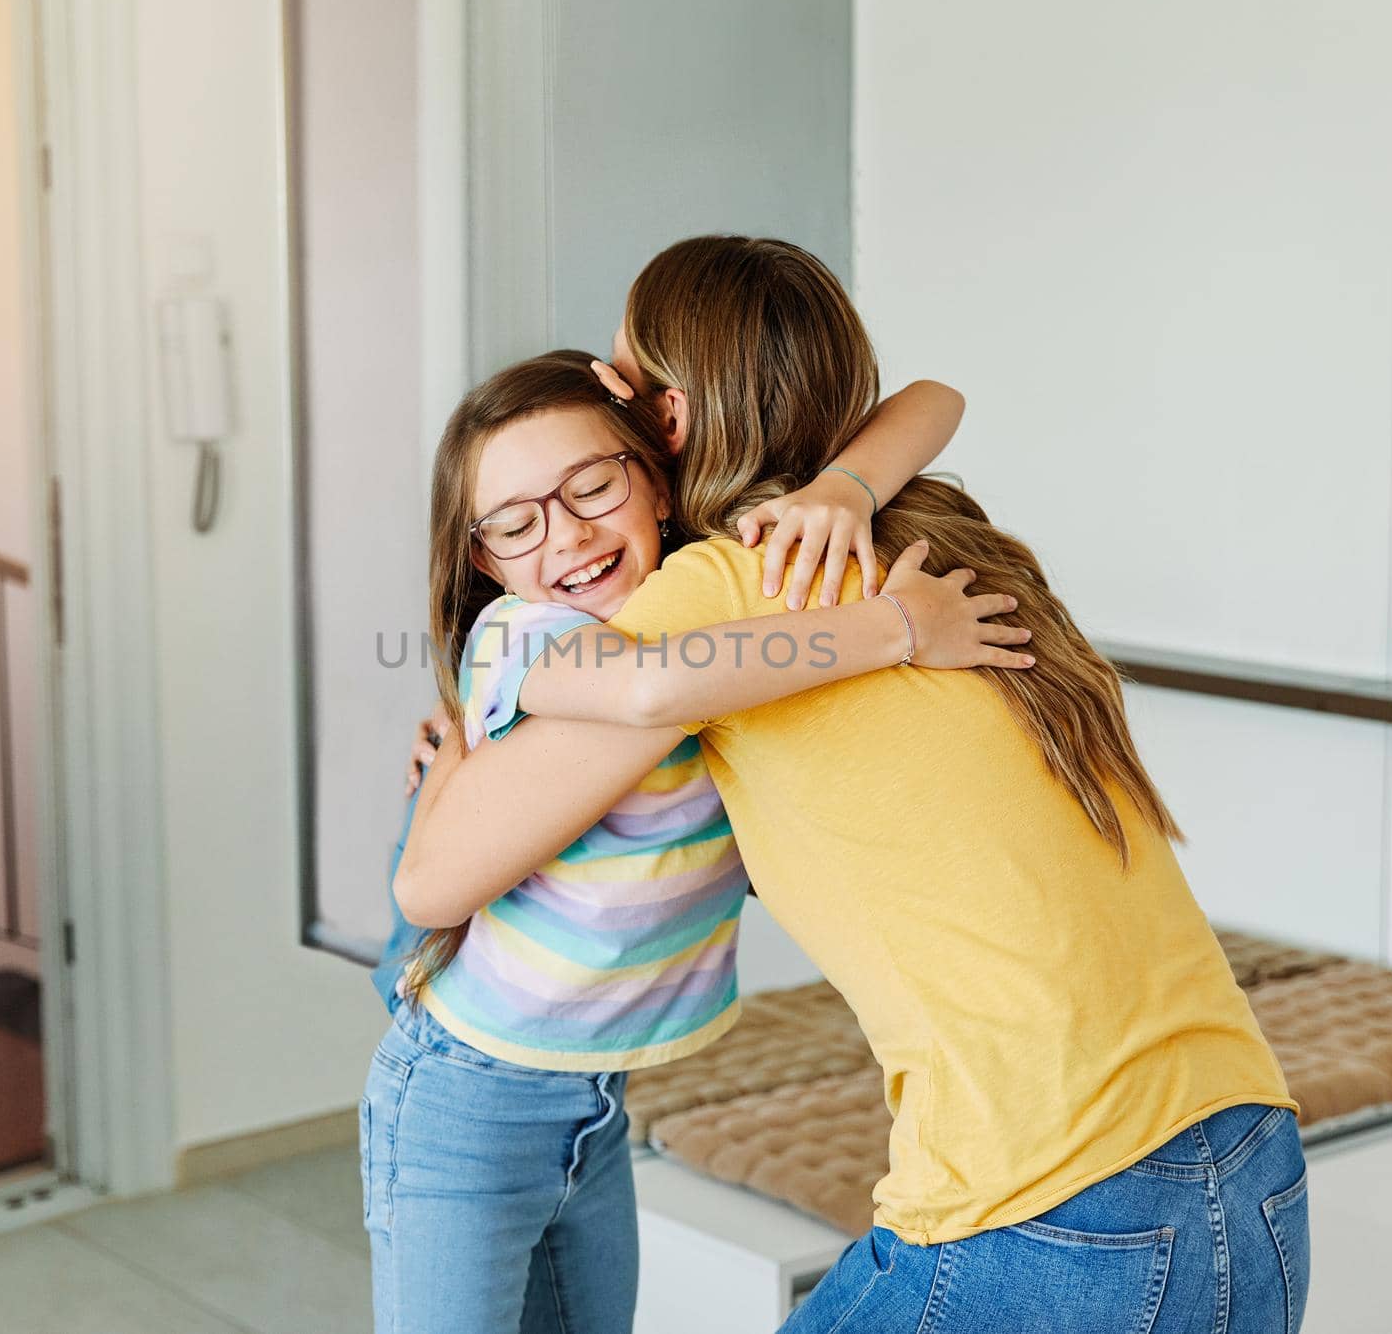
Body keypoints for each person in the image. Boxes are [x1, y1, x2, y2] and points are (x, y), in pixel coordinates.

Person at [398, 236, 1308, 1334]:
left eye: (621, 380)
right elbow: (933, 397)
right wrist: (847, 485)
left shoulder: (723, 588)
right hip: (1253, 1153)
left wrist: (454, 768)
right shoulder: (939, 530)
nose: (607, 387)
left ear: (667, 422)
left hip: (1052, 1200)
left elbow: (436, 881)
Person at [362, 348, 1028, 1334]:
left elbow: (937, 398)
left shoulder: (711, 605)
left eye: (593, 483)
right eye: (515, 522)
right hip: (465, 1106)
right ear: (484, 561)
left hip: (590, 1111)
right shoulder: (523, 634)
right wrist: (895, 627)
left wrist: (839, 493)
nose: (568, 534)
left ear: (656, 479)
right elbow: (650, 688)